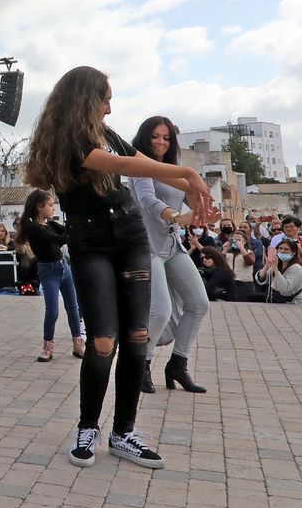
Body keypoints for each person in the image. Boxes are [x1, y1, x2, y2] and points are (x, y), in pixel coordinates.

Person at [25, 66, 216, 470]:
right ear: (85, 99)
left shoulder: (108, 135)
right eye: (105, 99)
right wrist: (187, 172)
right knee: (103, 340)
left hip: (131, 238)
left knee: (137, 334)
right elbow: (126, 168)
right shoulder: (70, 140)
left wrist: (197, 190)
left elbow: (142, 161)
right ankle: (87, 427)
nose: (110, 109)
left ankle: (124, 433)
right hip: (90, 244)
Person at [128, 115, 211, 395]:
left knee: (199, 303)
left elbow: (193, 198)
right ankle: (142, 363)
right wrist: (177, 216)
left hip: (172, 245)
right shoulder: (138, 167)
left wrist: (204, 211)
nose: (161, 142)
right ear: (145, 138)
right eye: (155, 136)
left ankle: (178, 363)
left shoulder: (175, 170)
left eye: (166, 137)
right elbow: (148, 201)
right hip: (147, 247)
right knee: (160, 311)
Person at [16, 189, 83, 362]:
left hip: (64, 268)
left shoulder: (50, 224)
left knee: (73, 308)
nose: (54, 209)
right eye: (51, 205)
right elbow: (58, 239)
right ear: (40, 207)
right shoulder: (33, 227)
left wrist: (76, 222)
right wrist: (73, 230)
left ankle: (78, 344)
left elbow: (65, 230)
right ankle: (48, 347)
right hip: (48, 271)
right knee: (52, 310)